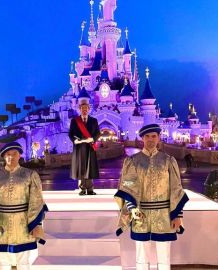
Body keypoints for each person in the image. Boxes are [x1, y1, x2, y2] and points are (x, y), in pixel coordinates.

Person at [115, 123, 189, 270]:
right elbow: (127, 185)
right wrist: (132, 209)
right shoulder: (132, 161)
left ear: (158, 138)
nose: (150, 139)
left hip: (164, 214)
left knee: (164, 256)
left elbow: (176, 188)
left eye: (153, 136)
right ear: (142, 138)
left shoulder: (168, 160)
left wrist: (178, 215)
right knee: (141, 255)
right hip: (140, 214)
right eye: (147, 136)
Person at [0, 141, 48, 270]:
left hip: (24, 223)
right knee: (3, 260)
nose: (11, 157)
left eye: (14, 154)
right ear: (3, 156)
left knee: (24, 260)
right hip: (0, 223)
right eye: (8, 154)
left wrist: (34, 223)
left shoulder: (30, 175)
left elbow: (36, 199)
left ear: (20, 155)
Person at [68, 98, 101, 195]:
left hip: (90, 147)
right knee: (81, 168)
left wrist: (93, 139)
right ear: (80, 109)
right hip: (79, 148)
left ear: (89, 109)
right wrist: (75, 141)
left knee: (89, 168)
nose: (84, 110)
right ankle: (82, 189)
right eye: (83, 109)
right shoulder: (75, 121)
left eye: (86, 108)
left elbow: (98, 133)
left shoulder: (94, 120)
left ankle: (90, 189)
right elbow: (70, 134)